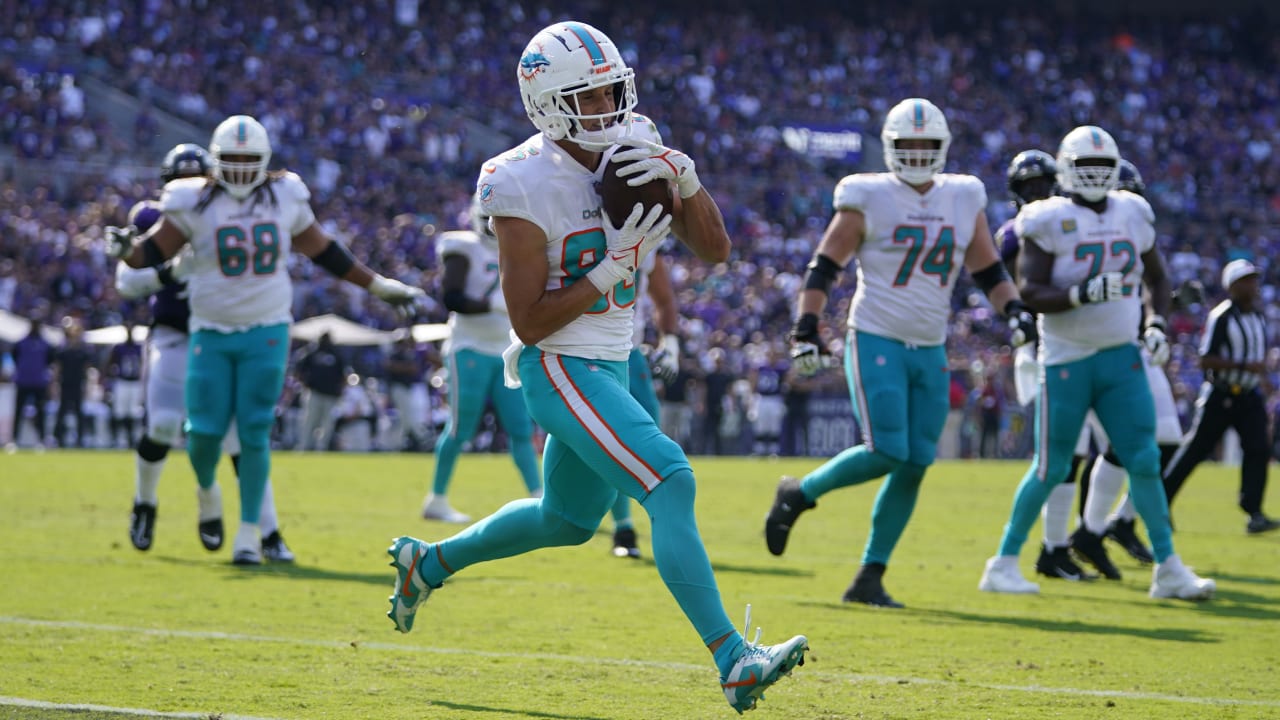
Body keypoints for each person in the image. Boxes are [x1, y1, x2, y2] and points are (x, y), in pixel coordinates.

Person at [384, 22, 807, 714]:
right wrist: (611, 264)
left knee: (565, 521)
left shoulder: (635, 141)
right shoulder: (516, 181)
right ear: (549, 104)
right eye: (592, 94)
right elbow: (529, 320)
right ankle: (734, 659)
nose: (611, 104)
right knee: (669, 479)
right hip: (556, 364)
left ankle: (426, 563)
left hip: (610, 361)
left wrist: (687, 179)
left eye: (615, 87)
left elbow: (716, 249)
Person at [107, 115, 425, 564]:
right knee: (202, 436)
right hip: (210, 330)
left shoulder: (284, 195)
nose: (239, 168)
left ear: (265, 161)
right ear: (214, 163)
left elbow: (325, 251)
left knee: (254, 431)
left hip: (266, 328)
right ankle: (207, 495)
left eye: (248, 159)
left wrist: (377, 285)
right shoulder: (192, 200)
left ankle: (250, 535)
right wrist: (128, 251)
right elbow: (153, 251)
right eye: (231, 160)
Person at [764, 98, 1038, 608]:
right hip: (876, 336)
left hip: (930, 346)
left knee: (916, 462)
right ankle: (799, 493)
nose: (915, 154)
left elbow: (988, 269)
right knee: (886, 449)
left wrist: (1016, 310)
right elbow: (825, 265)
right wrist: (806, 324)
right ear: (889, 147)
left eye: (925, 145)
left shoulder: (962, 196)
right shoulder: (868, 194)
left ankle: (871, 574)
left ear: (943, 148)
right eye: (906, 145)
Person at [978, 125, 1215, 601]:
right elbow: (1031, 292)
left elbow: (1157, 277)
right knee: (1052, 466)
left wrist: (1156, 323)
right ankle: (1003, 561)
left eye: (1102, 167)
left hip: (1120, 356)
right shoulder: (1046, 218)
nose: (1093, 176)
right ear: (1065, 169)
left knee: (1145, 459)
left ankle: (1167, 568)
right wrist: (1080, 293)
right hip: (1066, 360)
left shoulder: (1132, 210)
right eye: (1084, 167)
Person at [114, 142, 292, 559]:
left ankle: (267, 532)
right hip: (179, 336)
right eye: (180, 183)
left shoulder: (236, 211)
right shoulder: (155, 218)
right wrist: (172, 270)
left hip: (227, 337)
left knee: (243, 436)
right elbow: (126, 282)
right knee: (161, 425)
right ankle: (146, 502)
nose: (187, 191)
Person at [998, 148, 1095, 581]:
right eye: (1028, 188)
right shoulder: (1014, 232)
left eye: (1042, 186)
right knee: (1057, 457)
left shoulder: (1070, 225)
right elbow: (1009, 284)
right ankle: (1038, 550)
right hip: (1040, 350)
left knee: (1071, 455)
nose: (1036, 194)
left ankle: (1057, 546)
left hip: (1073, 346)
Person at [421, 206, 541, 524]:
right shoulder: (463, 247)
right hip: (469, 347)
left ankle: (539, 495)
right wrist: (492, 304)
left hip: (506, 348)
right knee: (461, 427)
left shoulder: (519, 248)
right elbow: (452, 298)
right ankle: (436, 498)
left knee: (520, 427)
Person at [1162, 259, 1279, 534]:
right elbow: (1205, 360)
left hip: (1249, 394)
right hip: (1222, 394)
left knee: (1258, 449)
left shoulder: (1258, 316)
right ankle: (1161, 502)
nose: (1253, 285)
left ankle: (1254, 512)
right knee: (1194, 451)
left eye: (1254, 279)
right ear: (1233, 286)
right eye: (1247, 280)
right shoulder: (1222, 316)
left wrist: (1259, 379)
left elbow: (1257, 358)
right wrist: (1242, 367)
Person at [609, 248, 682, 559]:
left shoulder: (646, 243)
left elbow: (665, 300)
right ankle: (623, 527)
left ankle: (664, 526)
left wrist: (672, 343)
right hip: (586, 352)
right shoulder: (576, 217)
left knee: (650, 438)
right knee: (608, 443)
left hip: (630, 351)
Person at [295, 331, 347, 451]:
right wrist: (304, 385)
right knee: (309, 421)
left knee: (327, 424)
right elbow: (299, 370)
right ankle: (304, 446)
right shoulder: (312, 353)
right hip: (314, 393)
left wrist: (341, 391)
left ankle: (321, 448)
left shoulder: (336, 355)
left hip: (331, 395)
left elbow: (344, 375)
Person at [11, 318, 53, 448]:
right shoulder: (21, 343)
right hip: (23, 381)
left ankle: (41, 439)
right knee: (18, 411)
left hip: (39, 382)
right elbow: (15, 357)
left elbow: (49, 360)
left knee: (41, 412)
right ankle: (14, 439)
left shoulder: (45, 344)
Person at [385, 336, 431, 452]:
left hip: (408, 388)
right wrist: (403, 367)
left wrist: (401, 367)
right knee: (406, 416)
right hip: (398, 387)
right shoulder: (395, 354)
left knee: (406, 418)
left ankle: (399, 443)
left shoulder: (409, 355)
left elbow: (414, 368)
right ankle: (421, 437)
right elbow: (389, 365)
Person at [52, 318, 91, 448]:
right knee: (62, 412)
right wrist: (55, 384)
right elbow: (57, 369)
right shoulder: (62, 351)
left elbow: (86, 370)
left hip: (78, 384)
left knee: (79, 412)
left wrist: (87, 385)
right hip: (65, 384)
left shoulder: (83, 352)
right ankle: (58, 438)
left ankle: (80, 438)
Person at [107, 321, 145, 447]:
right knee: (120, 411)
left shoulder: (139, 347)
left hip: (134, 382)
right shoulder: (118, 347)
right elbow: (109, 364)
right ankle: (120, 437)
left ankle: (132, 437)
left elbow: (143, 364)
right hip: (122, 381)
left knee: (134, 412)